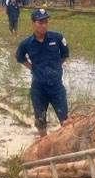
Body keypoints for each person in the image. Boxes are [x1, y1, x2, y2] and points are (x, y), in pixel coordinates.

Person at [16, 9, 69, 137]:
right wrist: (33, 69)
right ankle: (43, 142)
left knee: (65, 119)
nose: (44, 25)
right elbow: (20, 58)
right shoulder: (26, 43)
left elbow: (64, 55)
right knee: (40, 119)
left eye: (46, 22)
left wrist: (55, 67)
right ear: (33, 23)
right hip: (38, 88)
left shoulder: (57, 38)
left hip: (56, 86)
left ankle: (67, 143)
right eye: (40, 22)